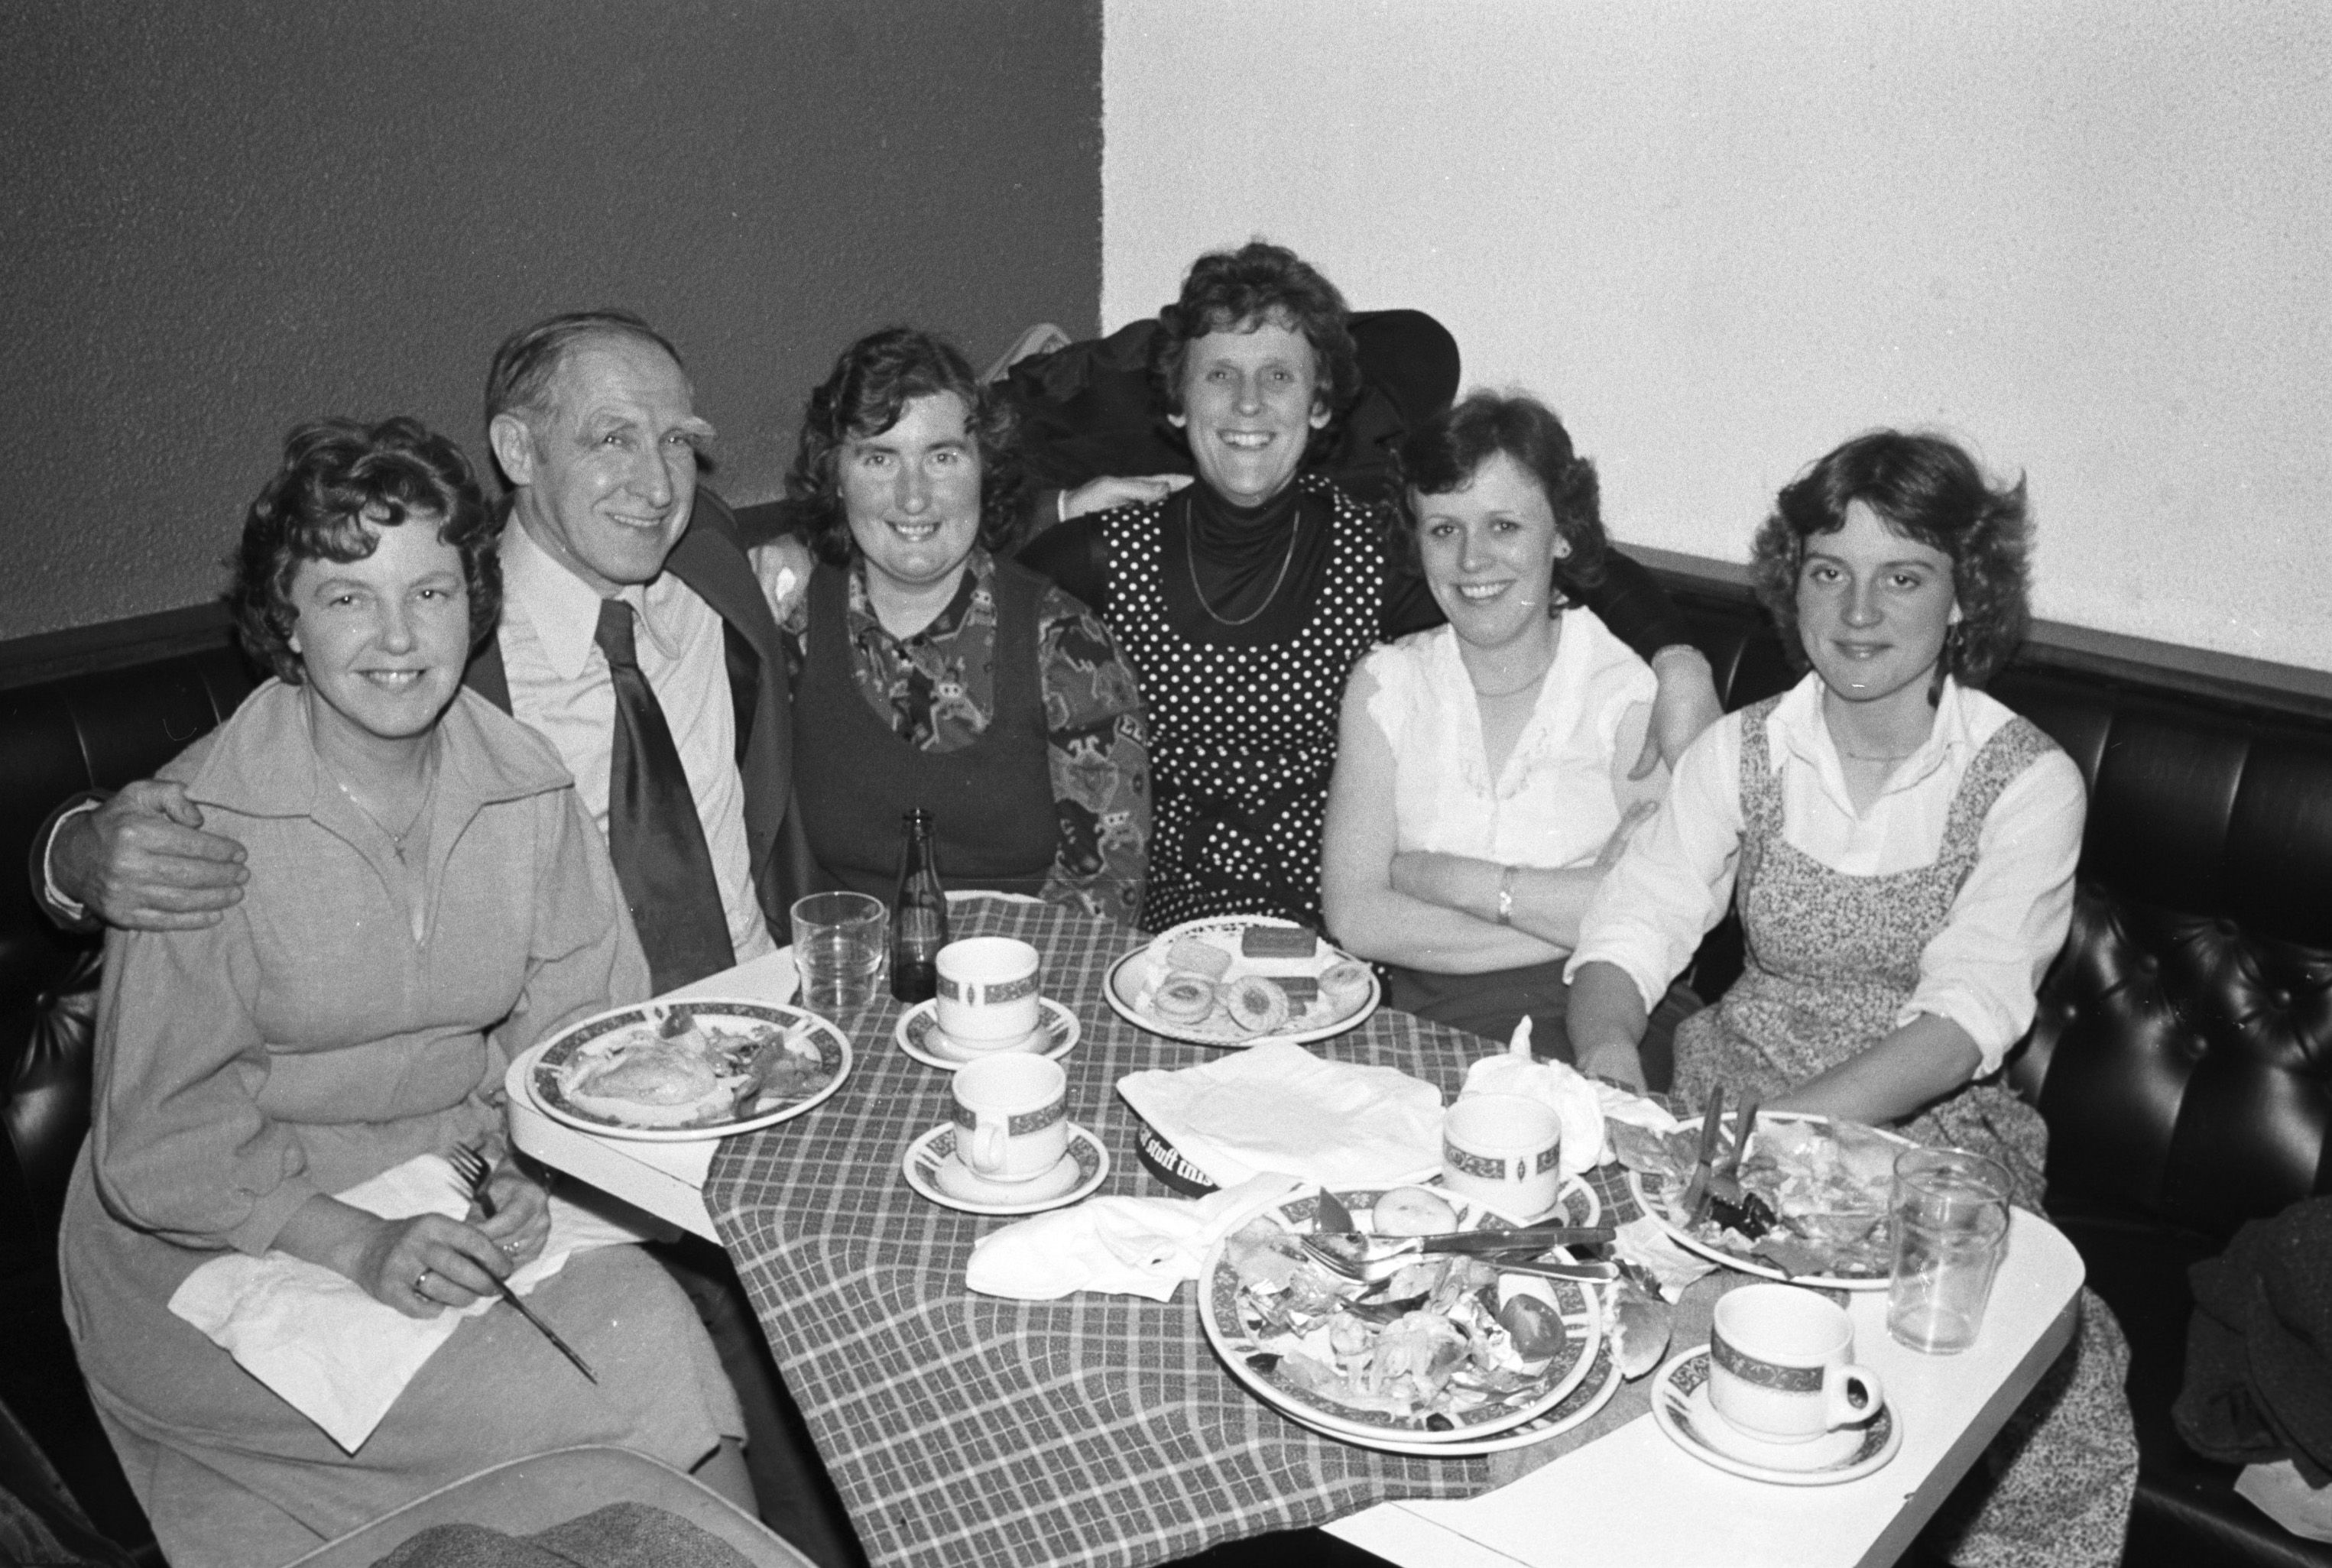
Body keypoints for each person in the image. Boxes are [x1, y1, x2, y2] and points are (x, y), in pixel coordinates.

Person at [38, 313, 859, 1568]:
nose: (399, 636)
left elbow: (578, 1041)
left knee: (655, 1335)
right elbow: (163, 1143)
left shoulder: (522, 785)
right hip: (226, 1234)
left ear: (465, 599)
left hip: (446, 1179)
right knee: (575, 1403)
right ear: (287, 622)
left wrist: (527, 1172)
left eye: (428, 591)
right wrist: (356, 1241)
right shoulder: (206, 828)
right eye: (346, 597)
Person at [1566, 430, 2136, 1565]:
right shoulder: (1742, 750)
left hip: (1929, 1127)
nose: (1859, 609)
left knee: (2056, 1394)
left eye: (1903, 575)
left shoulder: (2023, 782)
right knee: (1642, 1327)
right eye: (1829, 571)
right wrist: (1605, 1052)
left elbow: (1961, 1020)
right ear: (1793, 586)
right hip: (1735, 1085)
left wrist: (1777, 1136)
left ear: (1962, 598)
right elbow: (1630, 929)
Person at [1018, 240, 1724, 931]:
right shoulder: (1108, 551)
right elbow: (965, 591)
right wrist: (1050, 508)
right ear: (1177, 402)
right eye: (1219, 376)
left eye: (1279, 377)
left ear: (1320, 404)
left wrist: (1679, 659)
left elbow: (1572, 565)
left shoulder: (1369, 548)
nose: (1248, 404)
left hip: (1346, 941)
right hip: (1164, 941)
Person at [1320, 392, 1672, 1050]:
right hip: (1420, 1019)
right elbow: (1356, 918)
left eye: (1503, 526)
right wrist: (1579, 906)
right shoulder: (1385, 685)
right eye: (1444, 529)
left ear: (1562, 533)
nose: (1471, 560)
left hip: (1603, 1009)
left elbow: (1654, 909)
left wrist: (1434, 877)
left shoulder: (1629, 691)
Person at [774, 328, 1148, 922]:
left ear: (984, 468)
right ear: (836, 475)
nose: (914, 497)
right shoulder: (788, 628)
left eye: (942, 457)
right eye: (879, 457)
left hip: (1026, 975)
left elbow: (1105, 886)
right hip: (848, 975)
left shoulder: (1067, 645)